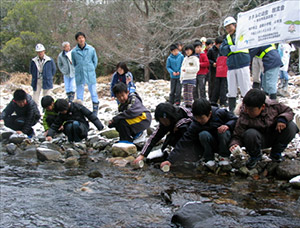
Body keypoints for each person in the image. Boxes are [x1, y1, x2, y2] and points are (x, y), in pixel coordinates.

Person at [229, 89, 299, 169]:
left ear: (262, 107)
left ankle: (276, 153)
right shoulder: (244, 116)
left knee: (291, 126)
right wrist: (234, 145)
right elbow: (237, 135)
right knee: (250, 133)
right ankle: (255, 157)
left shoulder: (274, 106)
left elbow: (289, 111)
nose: (247, 111)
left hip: (275, 135)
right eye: (246, 108)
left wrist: (282, 119)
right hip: (257, 140)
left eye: (251, 110)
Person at [160, 98, 237, 170]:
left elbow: (235, 119)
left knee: (223, 131)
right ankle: (209, 159)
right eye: (197, 118)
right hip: (210, 143)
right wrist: (170, 160)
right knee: (203, 134)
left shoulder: (219, 113)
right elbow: (184, 142)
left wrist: (227, 125)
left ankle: (224, 157)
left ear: (209, 114)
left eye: (201, 118)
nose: (199, 120)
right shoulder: (195, 124)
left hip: (223, 142)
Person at [220, 16, 251, 112]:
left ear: (235, 25)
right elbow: (222, 50)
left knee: (245, 88)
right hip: (232, 65)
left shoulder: (243, 34)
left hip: (242, 63)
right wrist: (230, 48)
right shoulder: (227, 38)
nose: (228, 29)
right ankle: (232, 110)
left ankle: (248, 109)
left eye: (230, 27)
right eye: (227, 28)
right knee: (231, 90)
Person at [71, 32, 99, 115]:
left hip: (90, 73)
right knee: (79, 94)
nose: (81, 39)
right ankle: (80, 111)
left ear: (85, 38)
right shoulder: (74, 51)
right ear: (77, 40)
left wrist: (91, 69)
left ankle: (95, 112)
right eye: (79, 38)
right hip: (79, 74)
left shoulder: (91, 49)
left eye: (82, 37)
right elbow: (74, 63)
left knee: (93, 92)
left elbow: (95, 61)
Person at [180, 44, 200, 108]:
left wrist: (187, 70)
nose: (187, 52)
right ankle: (186, 104)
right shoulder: (185, 58)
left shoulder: (195, 59)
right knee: (185, 93)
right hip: (184, 78)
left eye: (189, 50)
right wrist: (181, 78)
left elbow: (196, 69)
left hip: (191, 77)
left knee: (189, 92)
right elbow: (182, 68)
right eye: (186, 50)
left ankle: (190, 105)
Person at [208, 36, 225, 105]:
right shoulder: (211, 50)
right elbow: (208, 59)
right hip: (214, 70)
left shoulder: (224, 50)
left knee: (223, 85)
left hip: (223, 70)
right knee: (214, 85)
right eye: (219, 45)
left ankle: (222, 100)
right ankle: (213, 100)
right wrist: (212, 63)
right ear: (216, 44)